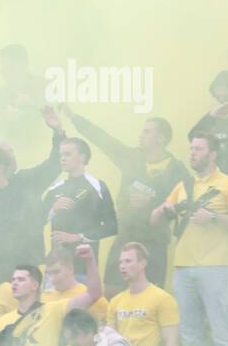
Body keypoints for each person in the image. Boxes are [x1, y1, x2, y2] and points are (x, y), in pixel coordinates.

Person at [149, 134, 228, 346]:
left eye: (199, 149)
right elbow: (154, 219)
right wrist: (164, 209)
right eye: (191, 148)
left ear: (213, 154)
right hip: (183, 267)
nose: (193, 153)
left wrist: (214, 217)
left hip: (216, 265)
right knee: (189, 332)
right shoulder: (183, 185)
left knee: (221, 329)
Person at [64, 107, 188, 294]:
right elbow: (103, 140)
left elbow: (185, 203)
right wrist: (74, 117)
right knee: (111, 292)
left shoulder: (177, 170)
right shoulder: (132, 158)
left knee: (150, 297)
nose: (141, 136)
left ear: (161, 138)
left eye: (147, 132)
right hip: (126, 235)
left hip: (154, 242)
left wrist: (156, 204)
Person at [0, 108, 67, 268]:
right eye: (5, 153)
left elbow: (54, 164)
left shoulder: (28, 181)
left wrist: (58, 132)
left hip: (25, 266)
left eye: (12, 151)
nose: (11, 156)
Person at [108, 242, 182, 346]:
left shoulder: (163, 299)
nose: (122, 266)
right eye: (121, 262)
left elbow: (171, 343)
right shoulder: (115, 301)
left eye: (128, 261)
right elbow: (110, 341)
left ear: (142, 264)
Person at [41, 135, 117, 261]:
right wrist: (53, 210)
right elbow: (37, 222)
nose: (63, 159)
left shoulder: (97, 186)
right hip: (55, 266)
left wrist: (78, 237)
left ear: (82, 157)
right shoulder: (55, 188)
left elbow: (112, 226)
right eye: (61, 155)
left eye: (68, 154)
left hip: (83, 267)